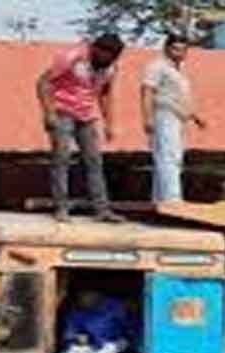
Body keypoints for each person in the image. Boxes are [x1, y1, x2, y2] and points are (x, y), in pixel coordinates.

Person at [37, 34, 127, 223]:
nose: (108, 60)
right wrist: (49, 113)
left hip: (86, 114)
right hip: (62, 111)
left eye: (113, 57)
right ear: (96, 49)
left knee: (94, 161)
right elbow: (43, 82)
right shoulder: (72, 57)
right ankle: (61, 208)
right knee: (62, 158)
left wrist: (109, 123)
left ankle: (102, 210)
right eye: (105, 55)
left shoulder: (110, 67)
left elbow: (104, 93)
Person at [142, 34, 208, 203]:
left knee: (170, 157)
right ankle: (172, 199)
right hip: (164, 114)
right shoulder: (157, 66)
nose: (179, 53)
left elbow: (180, 98)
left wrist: (195, 117)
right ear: (166, 48)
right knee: (169, 156)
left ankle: (159, 200)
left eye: (183, 49)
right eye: (175, 48)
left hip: (178, 117)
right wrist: (147, 117)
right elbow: (147, 91)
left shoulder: (178, 72)